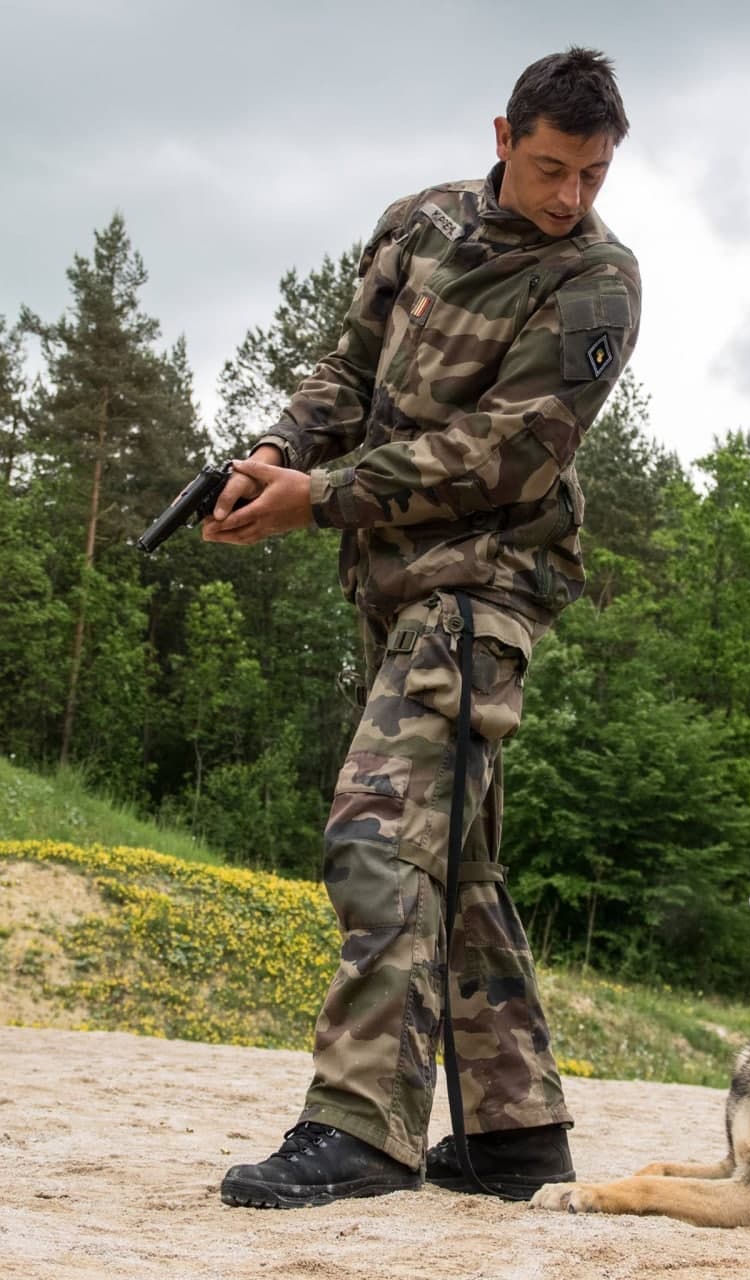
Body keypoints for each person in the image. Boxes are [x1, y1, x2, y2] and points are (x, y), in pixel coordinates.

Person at [206, 47, 640, 1209]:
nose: (569, 198)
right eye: (551, 168)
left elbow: (507, 451)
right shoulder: (419, 223)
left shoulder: (598, 282)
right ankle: (513, 1133)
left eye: (592, 174)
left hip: (481, 588)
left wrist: (323, 497)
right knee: (454, 861)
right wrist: (280, 455)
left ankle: (360, 1127)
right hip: (391, 589)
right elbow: (344, 368)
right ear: (502, 135)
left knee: (377, 833)